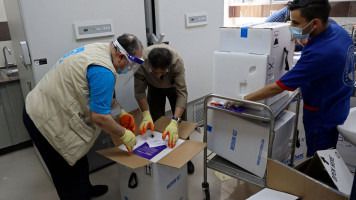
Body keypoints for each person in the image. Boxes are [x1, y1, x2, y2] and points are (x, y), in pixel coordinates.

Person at [22, 33, 143, 199]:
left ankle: (86, 188)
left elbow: (98, 94)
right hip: (44, 121)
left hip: (45, 104)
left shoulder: (103, 49)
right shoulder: (104, 72)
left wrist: (120, 113)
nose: (128, 69)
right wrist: (124, 134)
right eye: (130, 65)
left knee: (78, 157)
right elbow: (100, 117)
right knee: (67, 177)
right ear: (121, 56)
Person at [238, 0, 355, 157]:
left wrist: (243, 100)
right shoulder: (337, 31)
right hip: (338, 103)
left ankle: (313, 180)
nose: (290, 25)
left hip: (321, 116)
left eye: (295, 22)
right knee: (328, 154)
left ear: (315, 23)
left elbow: (279, 86)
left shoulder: (320, 54)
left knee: (319, 159)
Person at [134, 43, 195, 174]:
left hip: (173, 88)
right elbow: (139, 92)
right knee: (156, 120)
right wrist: (145, 114)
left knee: (181, 122)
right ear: (149, 64)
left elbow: (182, 94)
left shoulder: (176, 62)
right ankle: (163, 154)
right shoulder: (141, 63)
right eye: (154, 72)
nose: (158, 75)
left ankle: (186, 157)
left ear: (168, 67)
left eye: (163, 72)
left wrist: (174, 121)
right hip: (154, 89)